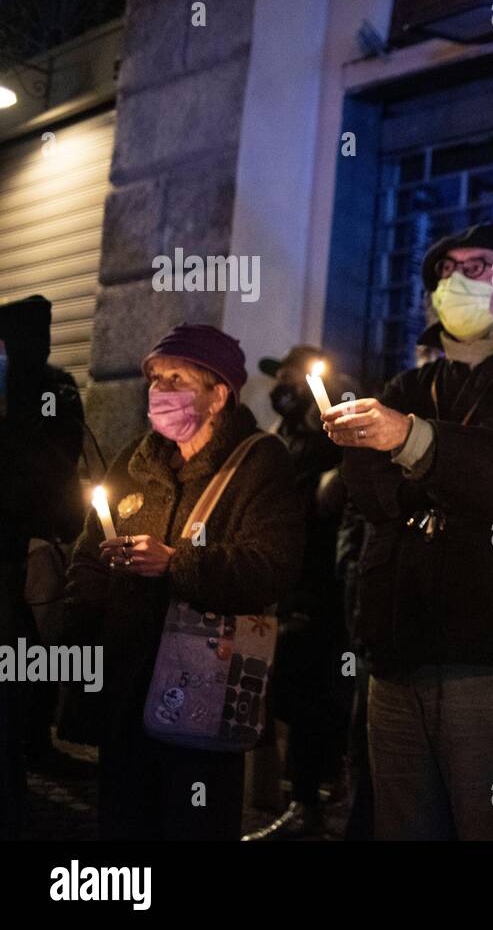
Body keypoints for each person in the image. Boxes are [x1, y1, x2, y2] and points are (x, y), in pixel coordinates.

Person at [325, 223, 493, 840]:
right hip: (397, 644)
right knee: (402, 826)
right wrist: (475, 488)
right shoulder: (407, 386)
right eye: (446, 268)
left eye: (481, 265)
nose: (458, 278)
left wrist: (411, 443)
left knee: (490, 825)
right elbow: (365, 490)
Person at [62, 324, 303, 839]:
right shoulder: (136, 458)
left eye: (177, 377)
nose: (159, 389)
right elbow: (86, 556)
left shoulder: (260, 463)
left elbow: (270, 567)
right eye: (155, 377)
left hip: (204, 694)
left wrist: (176, 564)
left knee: (193, 821)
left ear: (219, 394)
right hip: (126, 688)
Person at [242, 346, 352, 840]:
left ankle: (311, 802)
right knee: (285, 694)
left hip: (320, 591)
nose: (282, 384)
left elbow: (329, 504)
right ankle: (297, 797)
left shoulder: (331, 440)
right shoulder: (273, 438)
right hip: (279, 588)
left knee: (311, 698)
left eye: (293, 377)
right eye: (280, 376)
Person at [0, 295, 86, 836]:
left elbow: (57, 460)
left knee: (32, 647)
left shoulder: (53, 387)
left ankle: (33, 743)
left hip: (32, 543)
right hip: (23, 542)